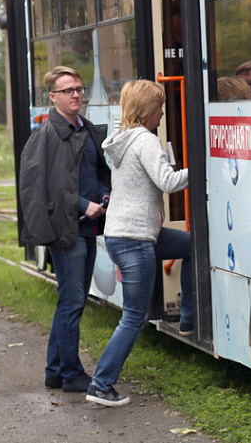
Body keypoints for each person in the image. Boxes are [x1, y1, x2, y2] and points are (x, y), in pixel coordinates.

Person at [87, 79, 192, 407]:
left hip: (126, 233)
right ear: (147, 111)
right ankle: (101, 384)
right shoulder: (145, 141)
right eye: (159, 107)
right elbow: (168, 182)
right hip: (135, 238)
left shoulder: (121, 139)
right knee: (134, 317)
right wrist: (200, 165)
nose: (163, 113)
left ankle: (189, 316)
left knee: (192, 245)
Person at [19, 66, 110, 394]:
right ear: (52, 97)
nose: (76, 95)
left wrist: (103, 194)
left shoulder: (86, 130)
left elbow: (95, 171)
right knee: (72, 301)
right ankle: (71, 374)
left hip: (88, 227)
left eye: (79, 89)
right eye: (68, 90)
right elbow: (48, 186)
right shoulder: (47, 134)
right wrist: (83, 204)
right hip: (65, 228)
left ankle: (55, 371)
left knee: (72, 300)